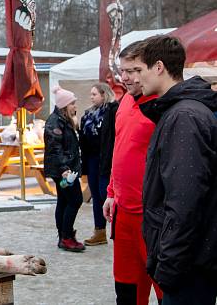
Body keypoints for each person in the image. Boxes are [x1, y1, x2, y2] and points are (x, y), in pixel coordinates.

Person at [137, 35, 217, 304]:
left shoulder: (184, 117)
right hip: (190, 261)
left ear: (158, 67)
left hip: (188, 266)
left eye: (140, 70)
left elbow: (185, 201)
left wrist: (169, 265)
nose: (137, 79)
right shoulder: (180, 111)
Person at [102, 40, 163, 305]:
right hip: (124, 214)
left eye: (134, 70)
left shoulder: (164, 105)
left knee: (166, 291)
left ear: (153, 69)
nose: (125, 77)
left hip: (155, 216)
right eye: (122, 70)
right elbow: (120, 148)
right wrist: (111, 192)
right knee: (127, 291)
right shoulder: (125, 100)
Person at [44, 86, 85, 252]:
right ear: (64, 105)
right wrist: (64, 169)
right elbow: (55, 148)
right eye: (73, 104)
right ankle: (66, 237)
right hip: (64, 171)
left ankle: (64, 235)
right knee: (75, 199)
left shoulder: (64, 120)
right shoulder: (55, 122)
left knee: (64, 200)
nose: (75, 106)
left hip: (66, 168)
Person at [79, 82, 118, 246]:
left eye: (94, 94)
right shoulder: (88, 115)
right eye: (91, 94)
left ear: (104, 95)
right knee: (96, 195)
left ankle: (117, 231)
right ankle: (99, 231)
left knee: (105, 194)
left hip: (108, 160)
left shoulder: (113, 111)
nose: (91, 97)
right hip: (93, 160)